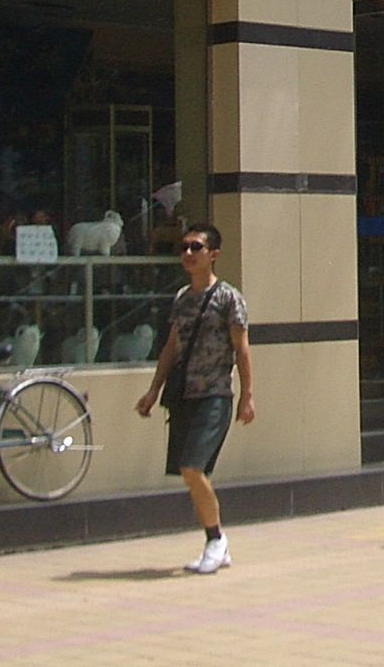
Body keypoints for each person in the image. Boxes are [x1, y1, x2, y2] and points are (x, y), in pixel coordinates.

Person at [135, 222, 253, 576]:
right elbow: (171, 347)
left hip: (214, 394)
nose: (187, 253)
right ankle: (217, 542)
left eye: (196, 247)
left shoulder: (229, 298)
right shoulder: (183, 298)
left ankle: (216, 541)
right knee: (191, 474)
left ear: (213, 255)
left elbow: (241, 349)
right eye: (184, 247)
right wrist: (154, 390)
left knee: (192, 468)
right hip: (183, 395)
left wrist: (247, 396)